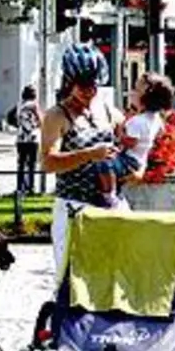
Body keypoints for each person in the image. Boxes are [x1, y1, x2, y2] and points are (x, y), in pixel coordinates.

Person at [39, 44, 130, 277]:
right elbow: (48, 162)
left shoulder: (107, 111)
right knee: (73, 278)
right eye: (82, 86)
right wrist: (90, 154)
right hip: (74, 205)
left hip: (109, 203)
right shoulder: (57, 115)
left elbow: (129, 136)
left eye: (93, 85)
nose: (89, 91)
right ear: (70, 82)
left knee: (115, 273)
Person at [118, 73, 175, 209]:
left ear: (145, 98)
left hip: (128, 161)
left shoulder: (137, 121)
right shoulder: (156, 119)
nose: (131, 93)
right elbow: (158, 136)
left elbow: (131, 142)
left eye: (136, 90)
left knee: (102, 166)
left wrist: (119, 133)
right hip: (141, 162)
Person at [11, 85, 42, 197]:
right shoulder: (34, 105)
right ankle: (31, 187)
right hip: (32, 138)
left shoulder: (19, 105)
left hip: (20, 138)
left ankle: (20, 187)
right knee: (32, 164)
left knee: (21, 164)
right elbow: (41, 120)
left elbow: (11, 117)